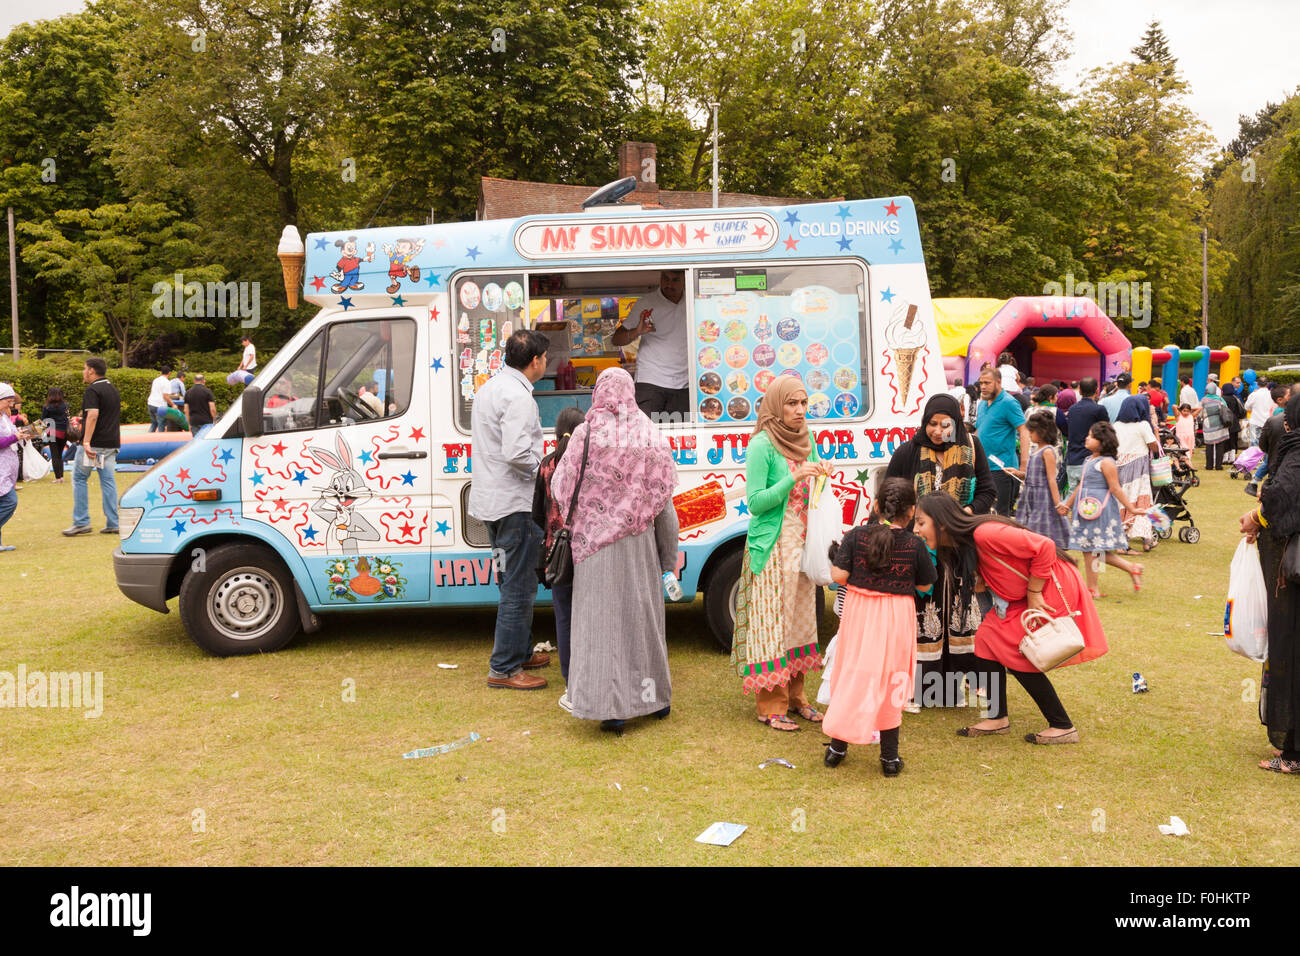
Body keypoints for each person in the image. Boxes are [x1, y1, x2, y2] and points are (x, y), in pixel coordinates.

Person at [914, 492, 1107, 744]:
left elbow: (1045, 547)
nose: (916, 529)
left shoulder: (985, 532)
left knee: (1015, 648)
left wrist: (1034, 591)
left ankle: (1062, 725)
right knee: (986, 638)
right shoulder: (962, 544)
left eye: (920, 522)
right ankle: (996, 718)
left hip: (1048, 585)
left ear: (941, 522)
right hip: (1023, 594)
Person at [552, 369, 678, 734]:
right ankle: (655, 699)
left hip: (593, 547)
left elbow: (561, 489)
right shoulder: (649, 435)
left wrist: (594, 513)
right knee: (643, 624)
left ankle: (610, 710)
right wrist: (667, 560)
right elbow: (664, 506)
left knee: (600, 627)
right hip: (639, 547)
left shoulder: (585, 434)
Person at [731, 376, 831, 731]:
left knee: (802, 625)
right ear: (776, 405)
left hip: (803, 547)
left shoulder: (808, 439)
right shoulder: (762, 444)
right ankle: (771, 706)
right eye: (792, 403)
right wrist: (794, 477)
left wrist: (820, 474)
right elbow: (756, 503)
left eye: (803, 403)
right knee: (773, 627)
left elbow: (813, 486)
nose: (800, 410)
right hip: (772, 549)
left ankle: (797, 698)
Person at [884, 393, 994, 708]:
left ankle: (948, 692)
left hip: (958, 547)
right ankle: (915, 691)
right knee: (921, 616)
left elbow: (987, 490)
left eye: (944, 424)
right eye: (931, 423)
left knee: (957, 615)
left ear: (955, 422)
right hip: (918, 547)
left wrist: (962, 516)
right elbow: (892, 495)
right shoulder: (909, 451)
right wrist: (912, 526)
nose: (936, 430)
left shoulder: (972, 446)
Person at [823, 478, 937, 775]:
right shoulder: (914, 544)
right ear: (912, 511)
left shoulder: (856, 536)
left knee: (851, 674)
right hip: (896, 615)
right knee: (894, 679)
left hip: (860, 613)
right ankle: (889, 759)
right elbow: (925, 583)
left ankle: (837, 748)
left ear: (875, 505)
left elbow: (839, 576)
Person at [468, 329, 553, 690]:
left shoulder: (490, 387)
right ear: (535, 362)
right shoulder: (519, 397)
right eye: (545, 357)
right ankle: (504, 668)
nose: (547, 362)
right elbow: (518, 453)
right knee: (519, 586)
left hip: (492, 502)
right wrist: (545, 471)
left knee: (509, 581)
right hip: (516, 505)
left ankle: (517, 652)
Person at [1240, 393, 1300, 773]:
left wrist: (1257, 517)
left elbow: (1281, 498)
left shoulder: (1295, 455)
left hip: (1291, 578)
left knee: (1291, 649)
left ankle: (1294, 750)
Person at [532, 405, 586, 708]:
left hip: (556, 554)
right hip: (585, 549)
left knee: (564, 616)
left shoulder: (546, 464)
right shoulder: (586, 463)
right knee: (588, 616)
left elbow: (537, 513)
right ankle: (590, 673)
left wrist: (553, 532)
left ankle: (570, 677)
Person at [1058, 421, 1143, 596]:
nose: (1087, 438)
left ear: (1102, 441)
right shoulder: (1089, 460)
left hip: (1098, 510)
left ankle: (1093, 588)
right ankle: (1131, 568)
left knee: (1091, 549)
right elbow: (1081, 485)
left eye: (1091, 436)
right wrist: (1068, 504)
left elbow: (1115, 488)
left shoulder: (1106, 462)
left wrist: (1131, 509)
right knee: (1094, 550)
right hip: (1086, 508)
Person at [610, 270, 688, 423]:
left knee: (681, 437)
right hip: (651, 381)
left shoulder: (692, 301)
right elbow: (616, 339)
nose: (669, 284)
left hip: (685, 383)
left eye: (675, 280)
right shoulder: (646, 303)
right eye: (665, 278)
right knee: (644, 434)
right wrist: (637, 331)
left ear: (685, 280)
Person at [63, 357, 121, 536]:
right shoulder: (112, 389)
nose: (83, 372)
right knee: (108, 481)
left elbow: (94, 415)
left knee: (79, 478)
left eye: (84, 368)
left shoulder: (93, 390)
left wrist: (86, 441)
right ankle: (113, 522)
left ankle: (81, 522)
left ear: (91, 371)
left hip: (94, 445)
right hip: (111, 443)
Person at [972, 366, 1029, 517]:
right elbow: (980, 431)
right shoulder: (983, 403)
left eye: (987, 383)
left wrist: (1023, 466)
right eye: (981, 383)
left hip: (1002, 469)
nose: (982, 387)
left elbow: (1024, 431)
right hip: (982, 468)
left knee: (999, 516)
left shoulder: (1008, 402)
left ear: (998, 382)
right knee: (982, 514)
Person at [1017, 410, 1070, 550]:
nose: (1029, 435)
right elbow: (1032, 473)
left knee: (1041, 528)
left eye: (1032, 432)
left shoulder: (1047, 451)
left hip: (1043, 497)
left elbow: (1051, 479)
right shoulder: (1035, 450)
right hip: (1030, 495)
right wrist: (1018, 473)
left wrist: (1057, 503)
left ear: (1042, 432)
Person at [1113, 395, 1159, 552]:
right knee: (1141, 502)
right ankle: (1146, 540)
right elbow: (1154, 446)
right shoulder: (1142, 425)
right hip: (1138, 470)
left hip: (1118, 468)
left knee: (1123, 503)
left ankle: (1123, 539)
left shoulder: (1116, 425)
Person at [1244, 384, 1290, 497]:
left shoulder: (1255, 395)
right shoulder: (1284, 416)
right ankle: (1254, 480)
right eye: (1290, 395)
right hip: (1268, 427)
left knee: (1258, 450)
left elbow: (1247, 406)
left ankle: (1254, 479)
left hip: (1260, 423)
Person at [0, 383, 30, 552]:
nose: (10, 405)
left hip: (7, 466)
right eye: (8, 401)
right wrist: (14, 437)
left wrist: (22, 435)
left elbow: (11, 434)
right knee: (10, 501)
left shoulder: (4, 416)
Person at [1065, 378, 1109, 491]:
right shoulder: (1099, 410)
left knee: (1073, 497)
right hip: (1091, 460)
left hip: (1072, 459)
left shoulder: (1072, 409)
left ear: (1079, 391)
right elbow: (1107, 433)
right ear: (1097, 391)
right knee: (1089, 500)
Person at [42, 387, 70, 483]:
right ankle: (61, 477)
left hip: (52, 431)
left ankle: (57, 478)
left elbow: (44, 420)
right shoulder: (65, 405)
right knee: (60, 455)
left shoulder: (47, 407)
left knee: (54, 455)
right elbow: (66, 418)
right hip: (64, 432)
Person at [1200, 386, 1232, 470]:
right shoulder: (1220, 399)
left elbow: (1200, 413)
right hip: (1220, 424)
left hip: (1208, 424)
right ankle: (1218, 465)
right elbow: (1226, 409)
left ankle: (1209, 465)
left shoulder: (1204, 400)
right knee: (1220, 445)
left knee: (1209, 446)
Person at [183, 374, 218, 439]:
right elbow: (212, 409)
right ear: (204, 381)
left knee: (196, 443)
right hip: (207, 422)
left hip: (194, 421)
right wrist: (215, 420)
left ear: (194, 381)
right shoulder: (207, 391)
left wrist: (188, 424)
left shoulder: (188, 392)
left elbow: (186, 410)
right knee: (206, 442)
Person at [1221, 381, 1247, 461]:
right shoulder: (1236, 398)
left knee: (1225, 440)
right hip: (1235, 422)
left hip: (1225, 422)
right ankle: (1232, 458)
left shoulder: (1222, 399)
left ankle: (1225, 458)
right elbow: (1240, 411)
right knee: (1233, 440)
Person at [1246, 379, 1275, 446]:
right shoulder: (1272, 394)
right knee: (1267, 444)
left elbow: (1247, 407)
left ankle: (1256, 457)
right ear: (1267, 384)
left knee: (1254, 445)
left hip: (1255, 421)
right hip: (1268, 421)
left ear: (1258, 384)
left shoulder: (1254, 394)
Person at [146, 366, 174, 433]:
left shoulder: (155, 380)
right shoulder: (167, 382)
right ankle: (161, 441)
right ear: (169, 373)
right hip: (159, 406)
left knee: (154, 424)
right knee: (161, 425)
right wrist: (173, 404)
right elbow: (165, 396)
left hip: (151, 403)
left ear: (161, 372)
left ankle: (148, 439)